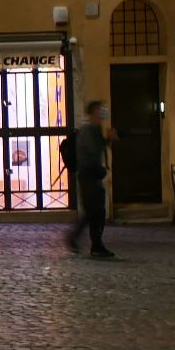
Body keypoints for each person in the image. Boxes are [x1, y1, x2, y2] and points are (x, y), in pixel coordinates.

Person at [65, 100, 115, 258]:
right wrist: (101, 168)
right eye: (101, 110)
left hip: (91, 174)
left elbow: (96, 149)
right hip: (89, 174)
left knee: (95, 211)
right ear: (94, 112)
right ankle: (78, 239)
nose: (104, 112)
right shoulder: (88, 129)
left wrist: (107, 139)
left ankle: (95, 244)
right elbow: (93, 152)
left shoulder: (93, 128)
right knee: (93, 211)